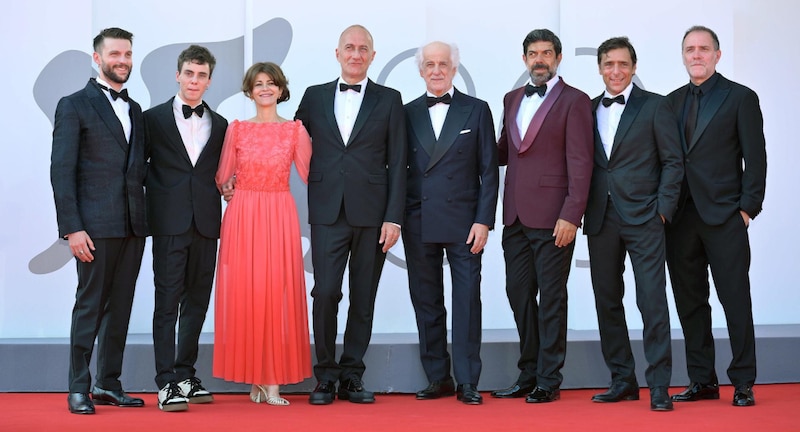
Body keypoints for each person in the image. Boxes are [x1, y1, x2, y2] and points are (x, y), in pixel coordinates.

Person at [295, 24, 406, 405]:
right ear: (337, 53)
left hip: (373, 214)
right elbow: (286, 142)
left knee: (364, 295)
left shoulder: (390, 100)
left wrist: (394, 217)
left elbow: (399, 161)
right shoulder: (313, 97)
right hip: (327, 211)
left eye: (363, 49)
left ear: (373, 56)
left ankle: (352, 374)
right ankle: (325, 375)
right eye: (349, 48)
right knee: (325, 292)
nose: (356, 54)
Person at [664, 25, 766, 407]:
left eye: (703, 49)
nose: (696, 55)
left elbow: (755, 159)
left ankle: (743, 381)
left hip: (725, 217)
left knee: (735, 299)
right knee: (690, 303)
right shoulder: (670, 103)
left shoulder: (740, 98)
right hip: (681, 220)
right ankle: (701, 380)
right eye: (689, 49)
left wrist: (746, 210)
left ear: (717, 55)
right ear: (683, 55)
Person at [492, 28, 593, 403]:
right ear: (524, 59)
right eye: (533, 53)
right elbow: (505, 150)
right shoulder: (511, 98)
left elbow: (581, 162)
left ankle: (549, 379)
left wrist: (572, 213)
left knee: (551, 298)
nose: (540, 59)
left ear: (558, 58)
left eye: (546, 53)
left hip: (555, 220)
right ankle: (527, 373)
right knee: (518, 294)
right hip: (515, 217)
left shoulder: (576, 101)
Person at [51, 27, 147, 415]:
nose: (122, 60)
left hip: (133, 226)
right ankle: (78, 386)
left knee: (120, 307)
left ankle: (109, 383)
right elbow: (62, 171)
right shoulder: (73, 104)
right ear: (97, 58)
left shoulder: (136, 109)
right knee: (89, 305)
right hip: (91, 227)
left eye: (127, 54)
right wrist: (72, 228)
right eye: (115, 54)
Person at [583, 36, 683, 411]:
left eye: (623, 63)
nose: (616, 71)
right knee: (607, 301)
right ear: (600, 68)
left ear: (634, 67)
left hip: (645, 217)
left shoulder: (656, 106)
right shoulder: (588, 108)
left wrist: (662, 209)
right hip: (600, 217)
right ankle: (622, 379)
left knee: (652, 300)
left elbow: (674, 162)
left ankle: (659, 384)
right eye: (609, 64)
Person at [402, 41, 499, 405]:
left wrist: (484, 221)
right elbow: (398, 170)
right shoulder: (407, 112)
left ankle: (468, 381)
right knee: (426, 301)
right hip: (419, 219)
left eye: (444, 64)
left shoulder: (476, 110)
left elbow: (488, 172)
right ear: (421, 70)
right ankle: (437, 377)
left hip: (464, 222)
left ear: (455, 69)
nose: (437, 70)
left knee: (467, 301)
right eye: (430, 64)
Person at [212, 62, 312, 406]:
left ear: (281, 90)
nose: (265, 89)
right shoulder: (237, 130)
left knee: (276, 294)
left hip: (279, 214)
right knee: (248, 293)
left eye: (271, 83)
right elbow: (223, 174)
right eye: (258, 84)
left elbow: (314, 174)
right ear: (250, 91)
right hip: (243, 215)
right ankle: (257, 378)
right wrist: (229, 187)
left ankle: (272, 379)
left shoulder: (295, 131)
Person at [144, 45, 228, 412]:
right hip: (168, 224)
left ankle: (185, 374)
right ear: (178, 75)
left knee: (197, 302)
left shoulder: (222, 124)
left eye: (202, 75)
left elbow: (221, 173)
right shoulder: (152, 120)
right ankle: (165, 381)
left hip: (207, 224)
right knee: (167, 303)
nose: (195, 81)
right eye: (189, 73)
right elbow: (137, 170)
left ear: (209, 81)